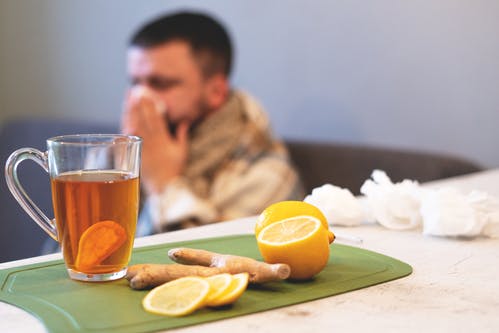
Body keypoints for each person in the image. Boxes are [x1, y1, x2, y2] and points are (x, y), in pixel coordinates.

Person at [121, 11, 304, 235]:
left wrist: (164, 185)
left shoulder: (264, 173)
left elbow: (210, 261)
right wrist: (123, 160)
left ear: (216, 92)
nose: (140, 99)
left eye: (161, 83)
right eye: (135, 83)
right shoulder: (122, 151)